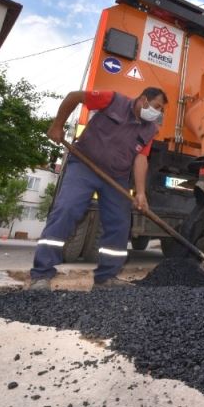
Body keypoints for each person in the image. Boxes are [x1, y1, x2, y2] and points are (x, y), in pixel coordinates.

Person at [29, 87, 167, 291]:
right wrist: (57, 126)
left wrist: (140, 193)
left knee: (120, 223)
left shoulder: (150, 129)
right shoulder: (113, 100)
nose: (158, 112)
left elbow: (141, 159)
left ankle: (106, 277)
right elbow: (73, 96)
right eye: (157, 106)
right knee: (67, 209)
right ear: (143, 99)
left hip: (116, 176)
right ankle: (41, 274)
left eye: (161, 109)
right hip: (84, 165)